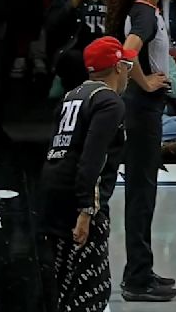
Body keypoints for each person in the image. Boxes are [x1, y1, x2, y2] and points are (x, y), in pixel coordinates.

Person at [39, 36, 136, 312]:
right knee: (91, 290)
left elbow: (56, 149)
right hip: (77, 197)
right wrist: (87, 210)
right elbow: (93, 159)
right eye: (126, 63)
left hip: (52, 192)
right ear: (118, 68)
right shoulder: (109, 102)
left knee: (62, 284)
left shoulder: (71, 96)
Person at [105, 0, 176, 302]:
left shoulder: (148, 11)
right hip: (141, 111)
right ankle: (135, 280)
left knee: (144, 194)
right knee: (140, 196)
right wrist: (144, 81)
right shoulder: (144, 13)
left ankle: (142, 268)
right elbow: (126, 51)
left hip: (145, 110)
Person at [46, 0, 109, 92]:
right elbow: (50, 25)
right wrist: (75, 1)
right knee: (73, 59)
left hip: (106, 53)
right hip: (77, 54)